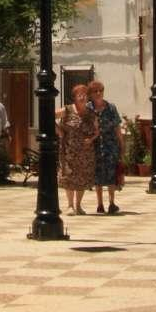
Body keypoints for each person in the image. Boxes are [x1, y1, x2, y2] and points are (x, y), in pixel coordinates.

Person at [58, 82, 96, 214]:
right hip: (69, 150)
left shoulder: (90, 113)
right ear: (74, 97)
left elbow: (97, 130)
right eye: (79, 95)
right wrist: (59, 131)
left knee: (82, 177)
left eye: (85, 95)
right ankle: (70, 206)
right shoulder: (67, 110)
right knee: (69, 177)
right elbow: (49, 116)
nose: (82, 97)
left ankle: (78, 206)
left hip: (85, 152)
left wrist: (91, 139)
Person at [86, 79, 124, 214]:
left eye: (100, 91)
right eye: (95, 91)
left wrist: (121, 144)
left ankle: (112, 203)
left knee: (111, 175)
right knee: (97, 176)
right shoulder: (88, 109)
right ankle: (100, 204)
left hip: (110, 147)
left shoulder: (111, 108)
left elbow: (117, 128)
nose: (98, 93)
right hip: (94, 147)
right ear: (90, 94)